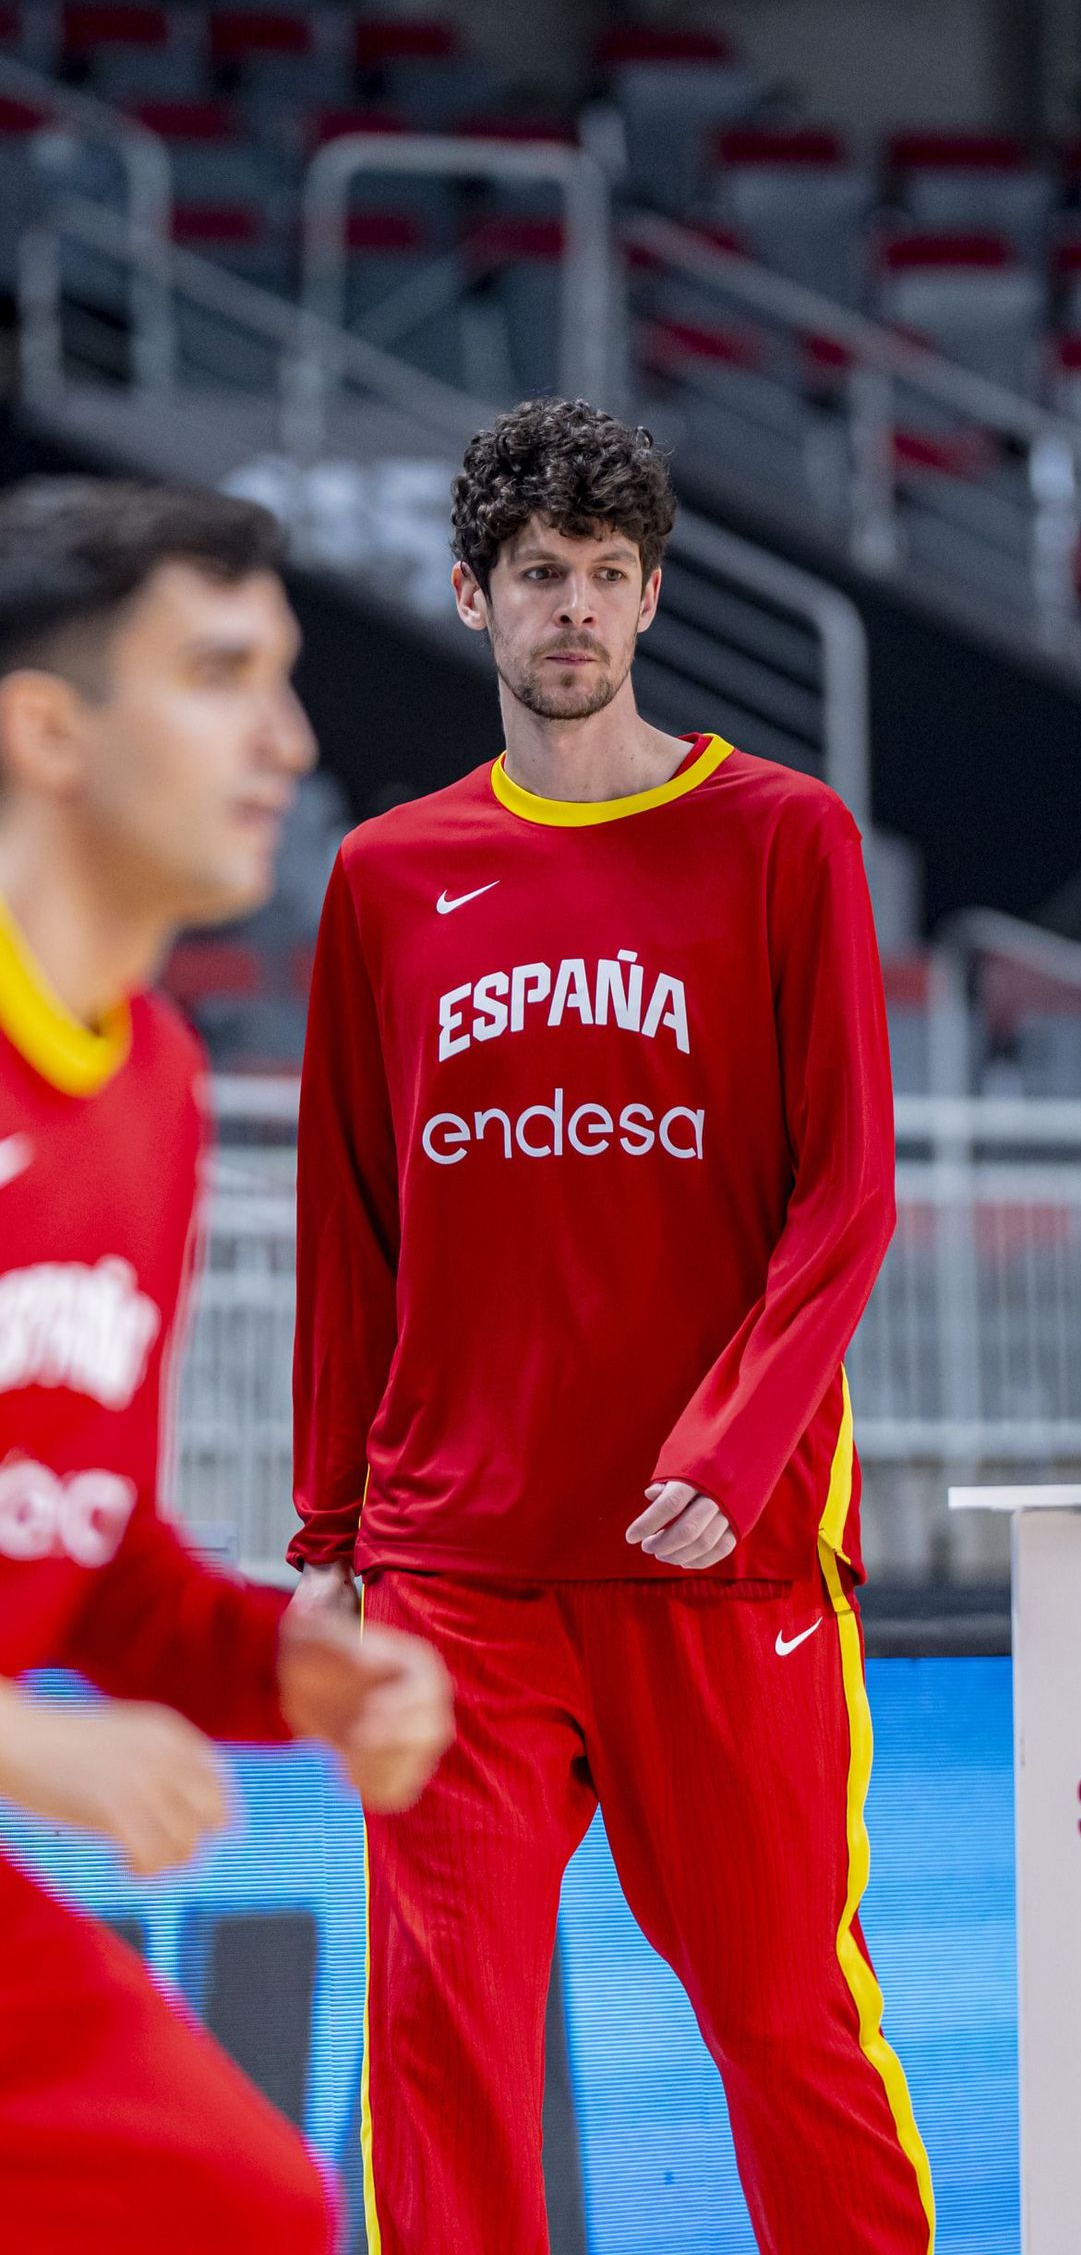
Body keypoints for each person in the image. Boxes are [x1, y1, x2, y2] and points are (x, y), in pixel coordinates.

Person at [289, 397, 936, 2254]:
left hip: (719, 1569)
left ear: (650, 598)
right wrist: (330, 1536)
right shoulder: (386, 881)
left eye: (605, 575)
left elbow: (848, 1196)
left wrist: (729, 1456)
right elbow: (351, 1224)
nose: (573, 609)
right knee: (439, 2047)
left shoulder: (783, 840)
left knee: (790, 2026)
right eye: (537, 576)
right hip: (455, 1570)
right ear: (476, 603)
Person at [0, 477, 455, 2254]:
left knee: (235, 2207)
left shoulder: (158, 1083)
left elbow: (76, 1558)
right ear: (46, 728)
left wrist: (288, 1667)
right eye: (217, 674)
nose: (289, 741)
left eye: (283, 677)